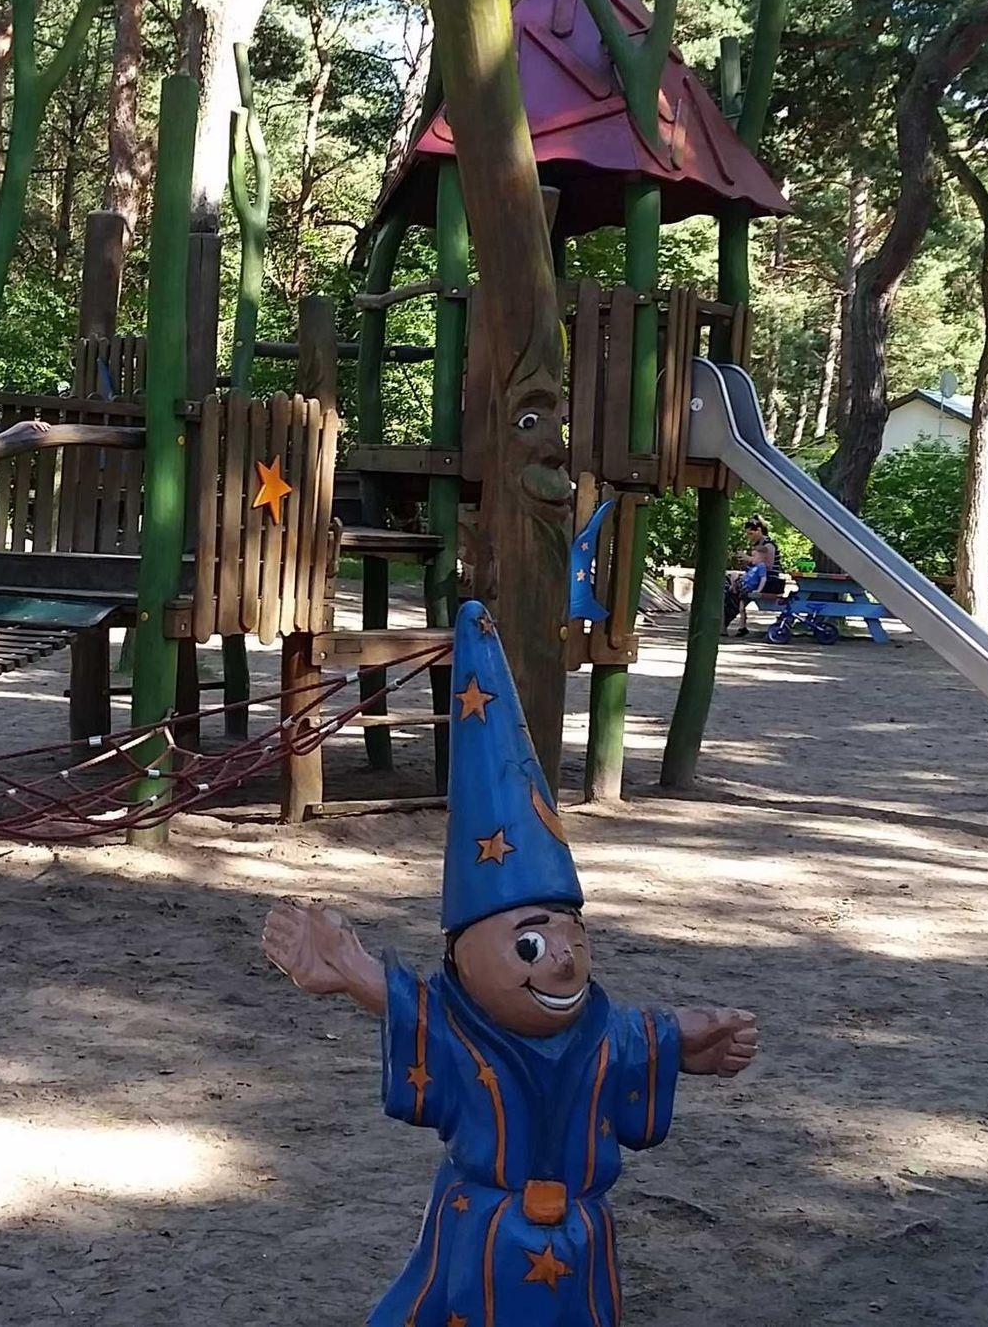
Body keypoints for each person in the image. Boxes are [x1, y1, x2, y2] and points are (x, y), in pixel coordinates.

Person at [261, 601, 759, 1327]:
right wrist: (350, 971)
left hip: (581, 1239)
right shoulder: (464, 1027)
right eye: (531, 943)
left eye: (573, 936)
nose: (563, 960)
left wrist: (687, 1043)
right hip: (484, 1232)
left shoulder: (602, 1031)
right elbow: (421, 1013)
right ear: (463, 959)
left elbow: (636, 1038)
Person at [723, 515, 783, 637]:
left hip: (767, 580)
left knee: (733, 591)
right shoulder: (758, 545)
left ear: (759, 530)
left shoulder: (768, 545)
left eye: (751, 533)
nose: (749, 536)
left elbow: (768, 566)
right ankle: (726, 622)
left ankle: (724, 623)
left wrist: (749, 559)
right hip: (756, 578)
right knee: (728, 585)